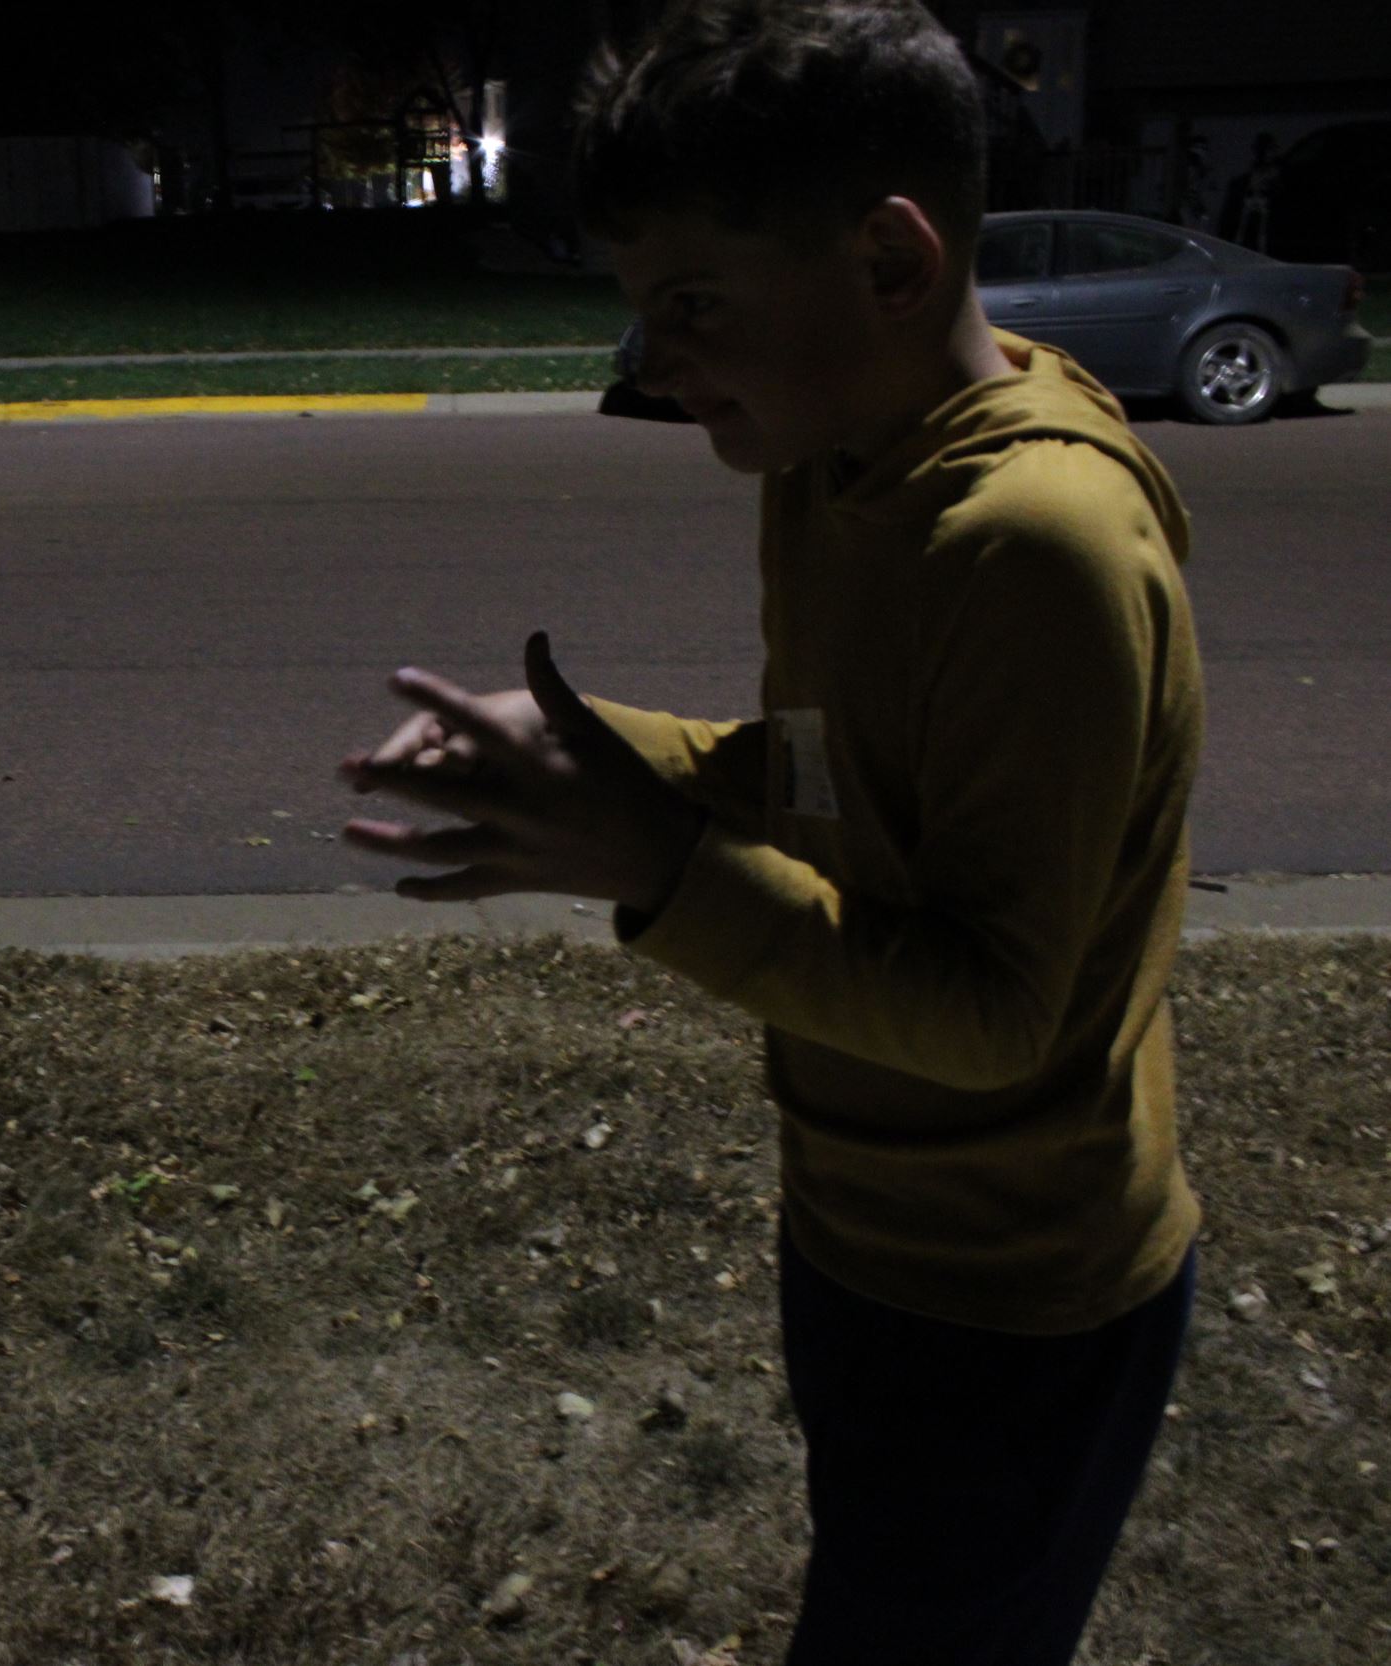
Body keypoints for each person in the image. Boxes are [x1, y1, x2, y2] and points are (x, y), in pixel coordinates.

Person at [338, 4, 1202, 1662]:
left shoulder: (1035, 545)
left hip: (1013, 1291)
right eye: (641, 310)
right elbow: (830, 774)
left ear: (891, 262)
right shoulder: (840, 459)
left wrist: (656, 868)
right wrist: (597, 748)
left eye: (695, 306)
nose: (650, 363)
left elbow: (997, 1011)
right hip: (862, 1226)